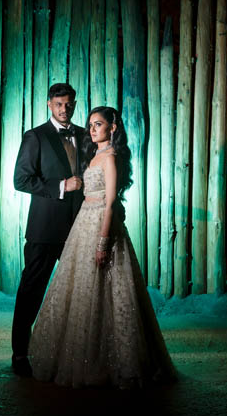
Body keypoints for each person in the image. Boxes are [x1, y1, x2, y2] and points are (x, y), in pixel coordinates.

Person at [28, 106, 176, 388]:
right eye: (91, 124)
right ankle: (81, 356)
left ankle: (116, 362)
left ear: (113, 128)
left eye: (98, 124)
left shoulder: (110, 157)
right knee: (82, 290)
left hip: (100, 226)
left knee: (110, 290)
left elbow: (109, 202)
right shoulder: (95, 154)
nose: (92, 129)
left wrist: (103, 242)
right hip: (83, 223)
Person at [10, 83, 84, 377]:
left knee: (77, 294)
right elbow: (21, 180)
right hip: (44, 229)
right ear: (48, 104)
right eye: (58, 104)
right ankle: (19, 354)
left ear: (74, 104)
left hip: (80, 227)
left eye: (68, 104)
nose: (64, 109)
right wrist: (61, 187)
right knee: (31, 290)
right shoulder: (35, 136)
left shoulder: (83, 134)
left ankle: (69, 354)